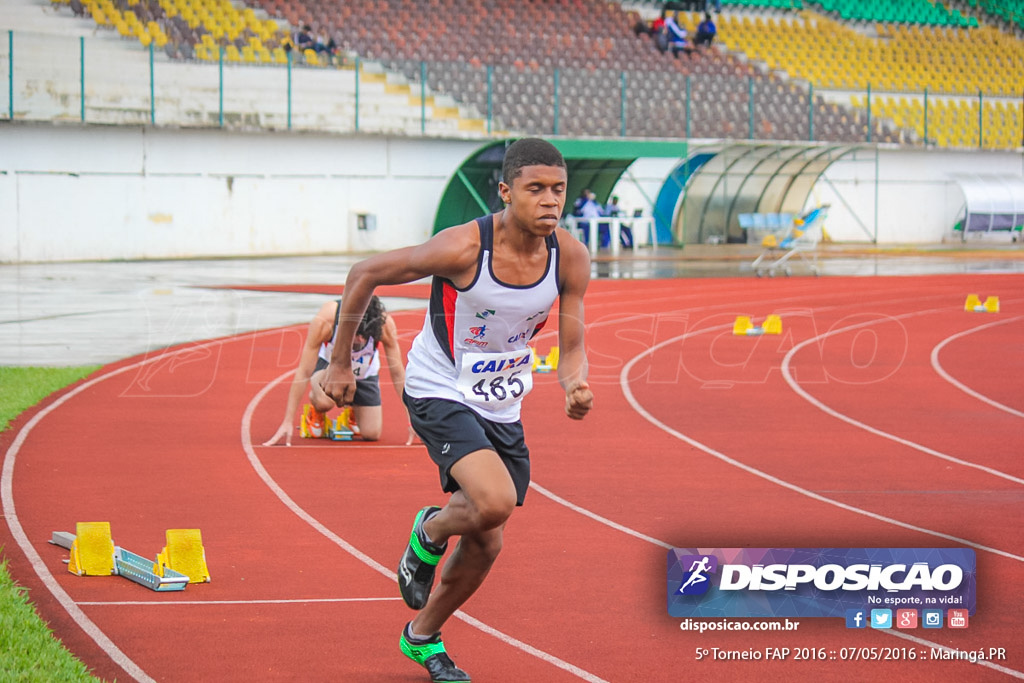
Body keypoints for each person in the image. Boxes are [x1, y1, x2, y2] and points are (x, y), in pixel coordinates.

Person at [320, 137, 593, 682]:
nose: (549, 201)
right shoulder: (465, 248)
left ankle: (421, 636)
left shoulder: (570, 256)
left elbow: (573, 339)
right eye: (535, 189)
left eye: (558, 190)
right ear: (505, 191)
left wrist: (574, 383)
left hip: (502, 398)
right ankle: (428, 533)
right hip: (439, 385)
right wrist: (342, 363)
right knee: (493, 502)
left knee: (488, 538)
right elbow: (364, 272)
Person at [263, 295, 413, 446]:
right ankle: (316, 412)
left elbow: (398, 373)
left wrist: (412, 420)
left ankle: (354, 411)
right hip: (330, 370)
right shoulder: (327, 320)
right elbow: (304, 371)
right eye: (357, 334)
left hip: (363, 374)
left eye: (365, 336)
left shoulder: (384, 324)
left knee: (371, 433)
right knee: (324, 402)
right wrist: (288, 420)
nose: (361, 340)